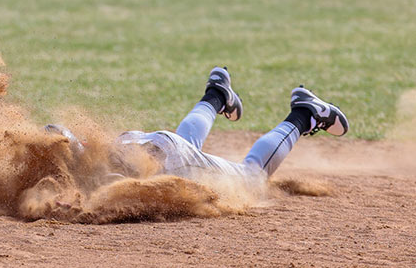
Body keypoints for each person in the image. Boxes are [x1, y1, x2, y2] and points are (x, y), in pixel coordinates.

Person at [47, 66, 349, 185]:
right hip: (153, 144)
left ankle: (305, 114)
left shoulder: (90, 173)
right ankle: (217, 94)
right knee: (186, 144)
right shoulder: (85, 153)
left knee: (252, 178)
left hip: (169, 160)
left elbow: (119, 189)